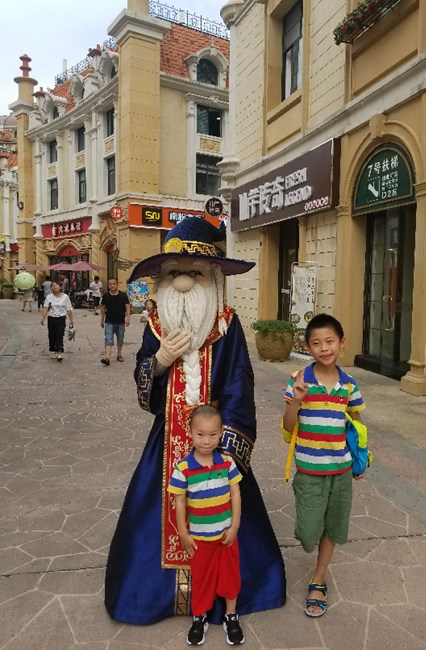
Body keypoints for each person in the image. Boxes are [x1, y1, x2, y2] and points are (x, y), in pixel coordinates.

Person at [104, 217, 285, 627]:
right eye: (174, 273)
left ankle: (219, 599)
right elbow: (143, 380)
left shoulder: (227, 326)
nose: (184, 282)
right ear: (163, 280)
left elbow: (239, 382)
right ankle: (165, 596)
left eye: (195, 273)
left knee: (226, 520)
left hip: (216, 443)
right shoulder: (156, 326)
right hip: (166, 439)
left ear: (213, 278)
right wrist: (160, 360)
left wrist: (229, 448)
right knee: (154, 515)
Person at [282, 313, 366, 618]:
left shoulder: (349, 385)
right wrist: (297, 400)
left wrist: (360, 459)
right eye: (316, 343)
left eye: (330, 341)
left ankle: (318, 580)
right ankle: (313, 548)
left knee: (333, 526)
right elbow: (288, 426)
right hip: (309, 470)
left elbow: (356, 425)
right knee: (308, 533)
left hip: (341, 470)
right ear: (308, 347)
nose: (324, 348)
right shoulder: (299, 379)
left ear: (342, 343)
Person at [168, 405, 244, 646]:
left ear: (220, 433)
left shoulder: (227, 463)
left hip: (226, 537)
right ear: (190, 432)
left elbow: (236, 493)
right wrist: (183, 534)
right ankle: (199, 617)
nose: (206, 441)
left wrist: (234, 527)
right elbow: (180, 502)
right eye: (200, 434)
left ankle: (231, 615)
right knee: (201, 580)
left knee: (231, 577)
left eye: (212, 434)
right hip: (199, 539)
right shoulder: (183, 468)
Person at [40, 280, 75, 361]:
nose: (55, 287)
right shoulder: (49, 297)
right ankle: (53, 350)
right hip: (51, 318)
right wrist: (42, 318)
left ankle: (59, 351)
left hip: (61, 318)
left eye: (56, 285)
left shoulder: (65, 297)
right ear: (51, 288)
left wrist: (71, 320)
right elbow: (45, 308)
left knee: (59, 334)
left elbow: (69, 308)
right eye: (53, 286)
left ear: (60, 287)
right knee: (52, 335)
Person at [100, 278, 130, 365]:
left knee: (120, 339)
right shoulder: (106, 295)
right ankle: (107, 357)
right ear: (108, 285)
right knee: (108, 339)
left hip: (120, 321)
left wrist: (128, 317)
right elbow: (103, 307)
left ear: (117, 284)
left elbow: (127, 306)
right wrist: (102, 319)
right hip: (109, 321)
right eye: (110, 284)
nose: (112, 286)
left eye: (114, 284)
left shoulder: (123, 295)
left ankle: (119, 354)